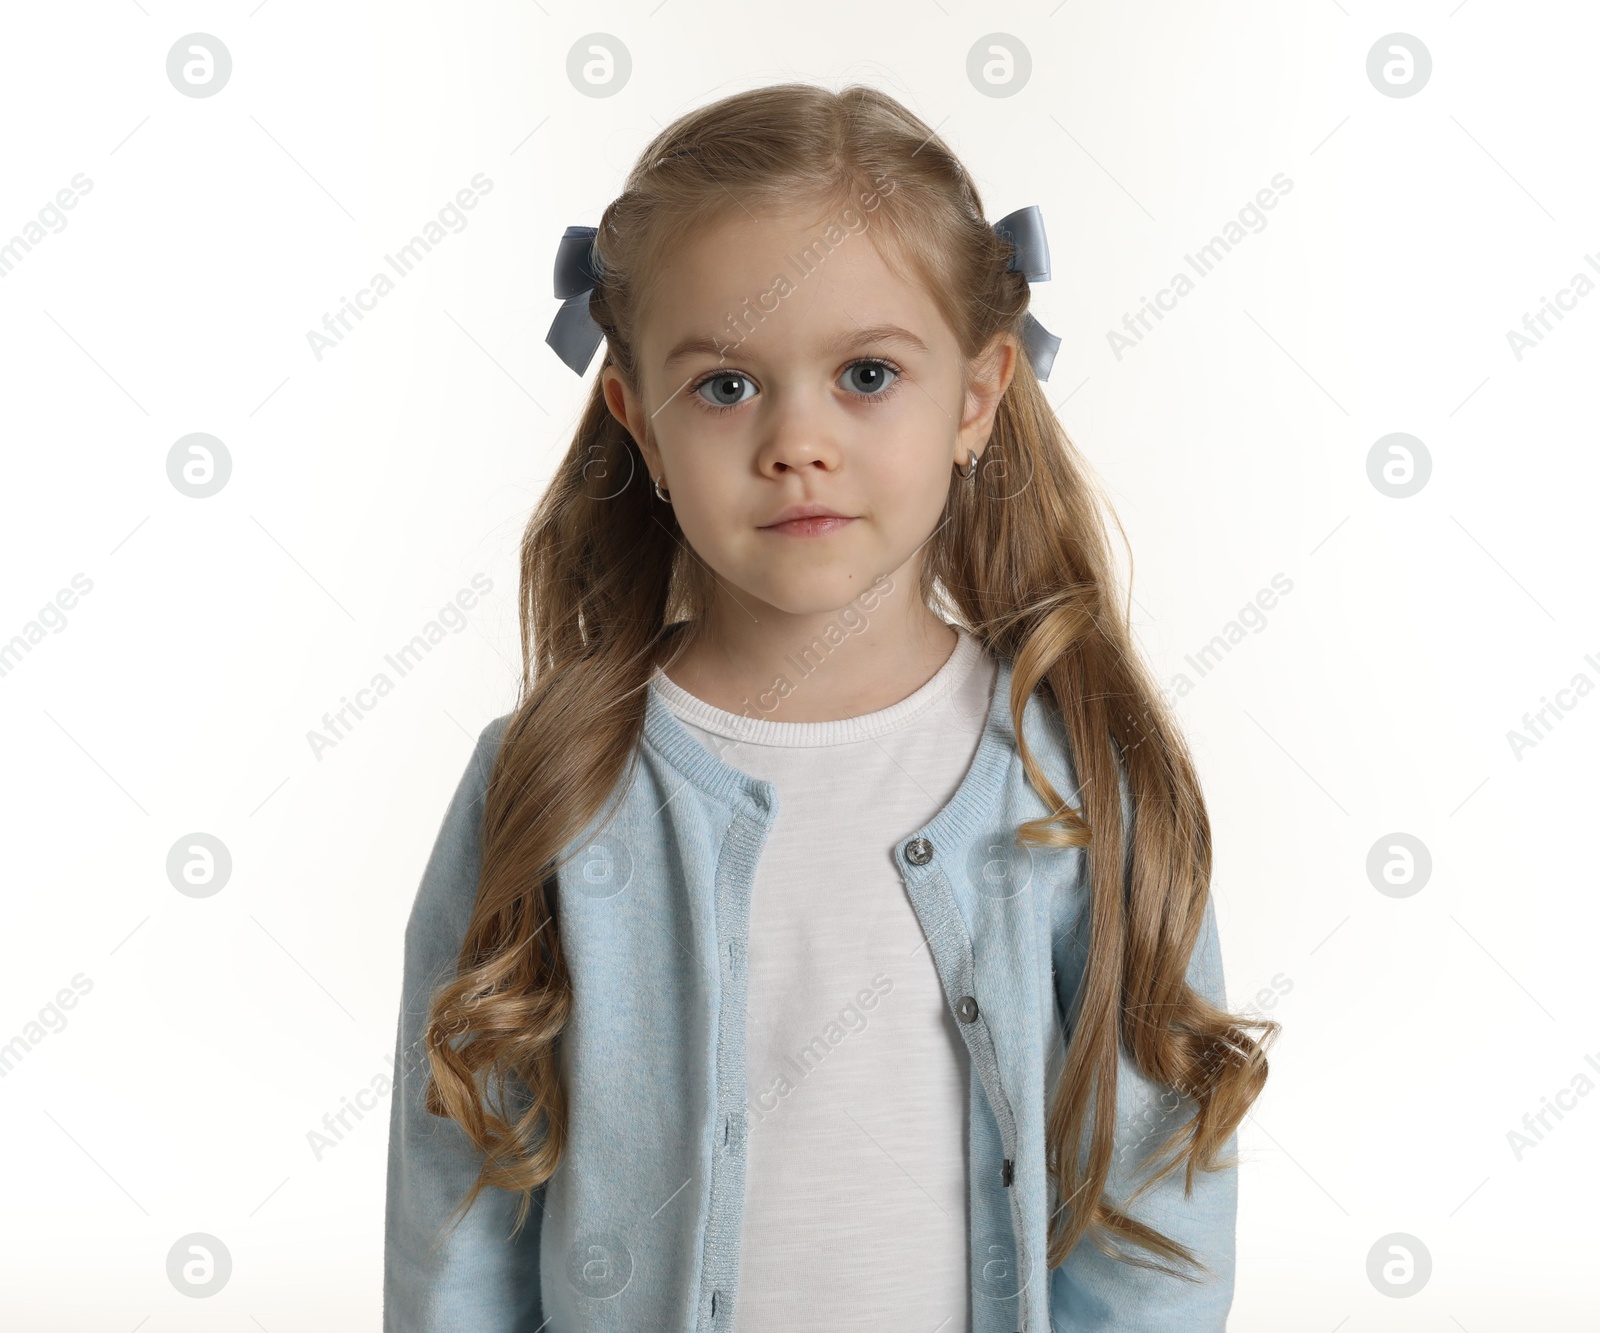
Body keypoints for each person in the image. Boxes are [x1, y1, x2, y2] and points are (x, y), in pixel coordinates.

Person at [383, 81, 1278, 1333]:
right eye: (726, 386)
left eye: (865, 373)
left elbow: (1152, 1198)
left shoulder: (1069, 774)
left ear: (974, 398)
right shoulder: (552, 778)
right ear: (636, 415)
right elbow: (457, 1210)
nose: (796, 440)